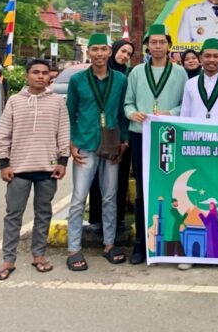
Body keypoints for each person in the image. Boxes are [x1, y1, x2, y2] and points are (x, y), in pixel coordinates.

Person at [0, 59, 70, 281]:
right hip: (18, 170)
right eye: (35, 72)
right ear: (27, 75)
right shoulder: (14, 102)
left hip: (47, 169)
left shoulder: (57, 102)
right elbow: (3, 134)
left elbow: (64, 132)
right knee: (13, 215)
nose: (40, 76)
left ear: (49, 77)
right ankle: (8, 259)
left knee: (43, 214)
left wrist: (62, 161)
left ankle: (39, 255)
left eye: (45, 73)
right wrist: (3, 163)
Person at [65, 34, 130, 271]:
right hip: (85, 143)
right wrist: (71, 141)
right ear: (89, 52)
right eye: (95, 49)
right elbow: (70, 112)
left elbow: (122, 112)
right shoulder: (77, 80)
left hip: (111, 144)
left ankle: (109, 244)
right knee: (78, 198)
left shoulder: (121, 80)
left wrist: (124, 139)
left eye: (104, 49)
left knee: (110, 196)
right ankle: (73, 249)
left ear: (109, 52)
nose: (100, 54)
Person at [124, 24, 187, 265]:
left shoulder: (180, 73)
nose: (157, 46)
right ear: (147, 46)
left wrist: (171, 113)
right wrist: (132, 113)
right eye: (153, 42)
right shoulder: (137, 72)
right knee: (143, 190)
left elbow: (185, 104)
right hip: (141, 134)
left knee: (170, 190)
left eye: (162, 42)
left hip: (168, 136)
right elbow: (127, 103)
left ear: (169, 45)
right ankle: (141, 244)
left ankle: (171, 243)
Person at [88, 38, 135, 238]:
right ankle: (96, 218)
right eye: (122, 51)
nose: (124, 56)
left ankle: (118, 219)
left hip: (120, 132)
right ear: (113, 51)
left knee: (120, 177)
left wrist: (125, 137)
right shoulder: (99, 73)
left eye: (128, 54)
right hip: (98, 132)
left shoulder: (129, 76)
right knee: (95, 178)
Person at [180, 38, 218, 120]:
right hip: (196, 128)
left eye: (216, 56)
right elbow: (184, 116)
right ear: (201, 58)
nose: (212, 60)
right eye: (207, 56)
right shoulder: (190, 84)